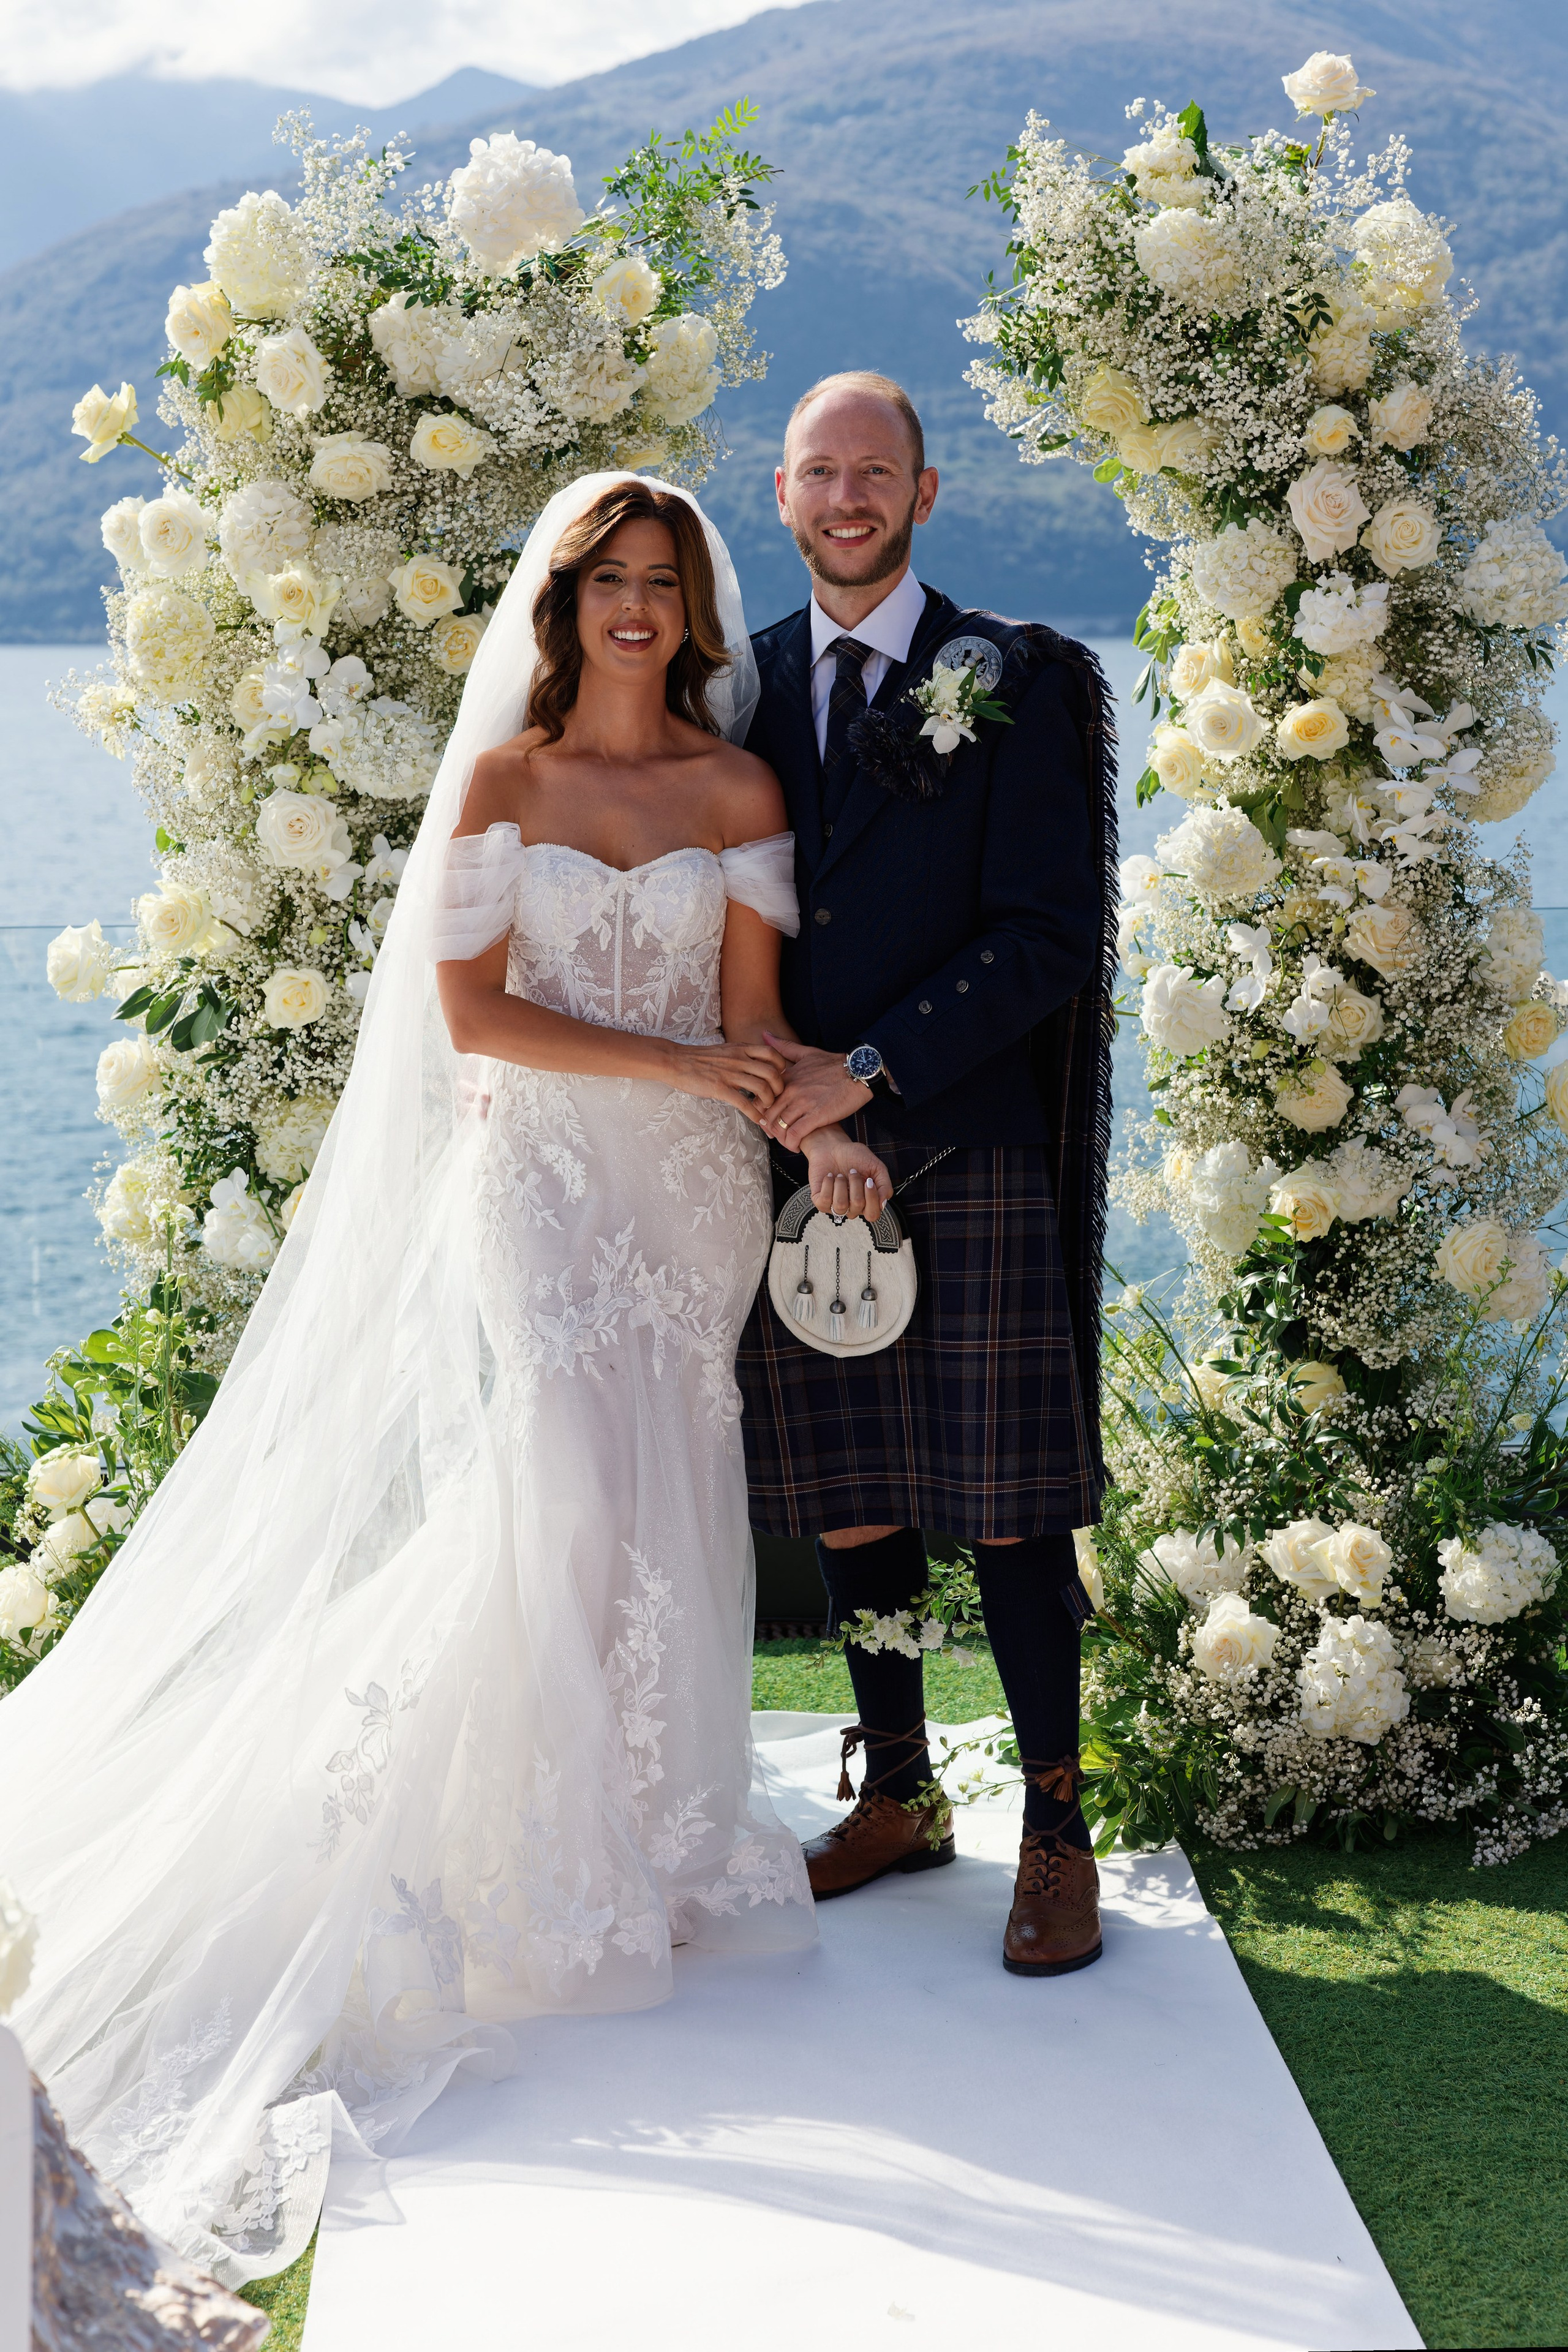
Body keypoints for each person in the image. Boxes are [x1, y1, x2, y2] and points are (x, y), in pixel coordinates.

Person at [0, 475, 876, 2288]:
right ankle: (524, 1873)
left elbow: (755, 1014)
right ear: (561, 607)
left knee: (660, 1504)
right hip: (547, 1180)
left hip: (695, 1196)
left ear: (695, 610)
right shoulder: (506, 783)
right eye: (606, 582)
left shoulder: (737, 791)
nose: (636, 607)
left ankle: (651, 1833)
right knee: (553, 1492)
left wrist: (826, 1125)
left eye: (661, 582)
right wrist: (676, 1067)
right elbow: (473, 1016)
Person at [736, 372, 1118, 1975]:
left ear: (925, 492)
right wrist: (800, 1108)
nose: (847, 498)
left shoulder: (1016, 681)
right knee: (857, 1503)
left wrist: (872, 1077)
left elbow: (1046, 938)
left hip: (964, 1145)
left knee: (1018, 1518)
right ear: (779, 493)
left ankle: (1054, 1826)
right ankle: (898, 1788)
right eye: (821, 473)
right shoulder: (732, 685)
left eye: (873, 472)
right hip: (795, 1158)